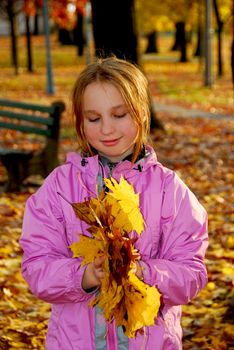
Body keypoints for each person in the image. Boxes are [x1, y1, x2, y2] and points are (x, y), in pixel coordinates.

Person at [20, 56, 208, 350]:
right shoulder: (59, 188)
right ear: (81, 121)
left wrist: (145, 273)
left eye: (119, 115)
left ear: (142, 113)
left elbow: (191, 273)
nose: (106, 129)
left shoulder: (170, 191)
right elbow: (36, 266)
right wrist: (83, 275)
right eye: (94, 119)